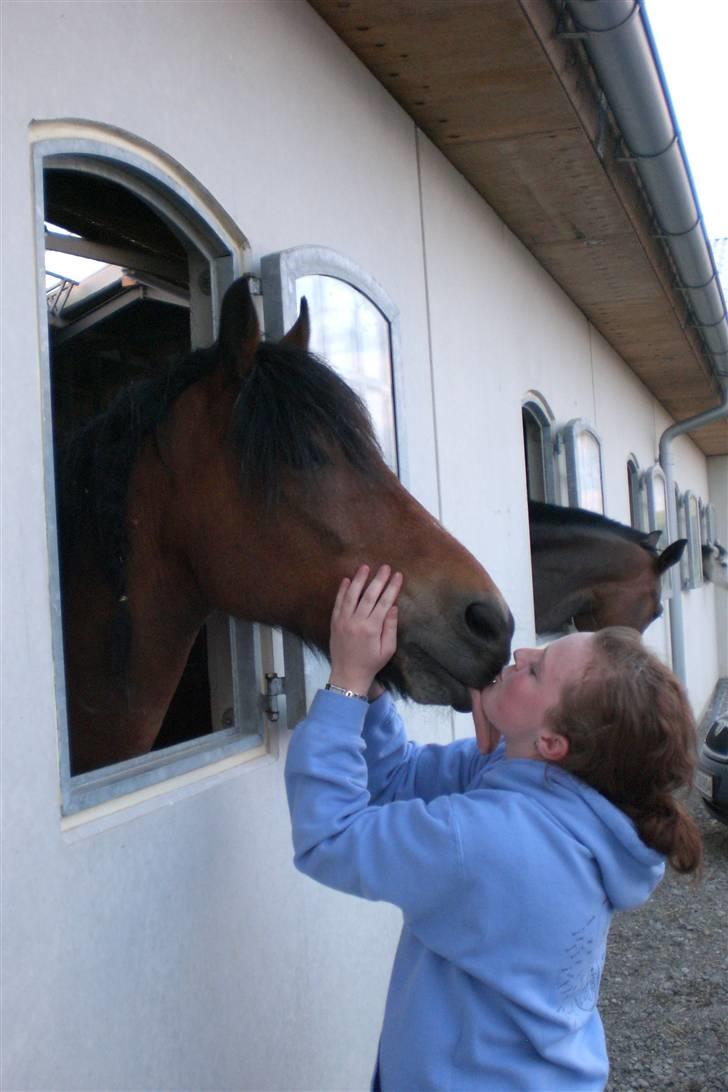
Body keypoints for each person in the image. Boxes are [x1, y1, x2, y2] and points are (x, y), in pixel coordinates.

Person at [285, 564, 703, 1091]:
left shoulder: (490, 839)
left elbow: (331, 838)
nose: (520, 655)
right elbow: (396, 780)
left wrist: (345, 683)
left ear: (553, 742)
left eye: (537, 671)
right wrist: (373, 689)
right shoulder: (559, 791)